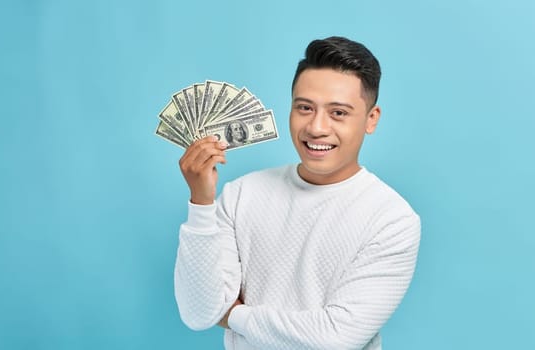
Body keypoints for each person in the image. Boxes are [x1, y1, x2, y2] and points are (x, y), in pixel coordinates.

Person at [174, 36, 420, 349]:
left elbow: (333, 340)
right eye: (304, 108)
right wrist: (201, 202)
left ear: (371, 119)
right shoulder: (241, 194)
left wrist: (233, 314)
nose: (316, 127)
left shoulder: (392, 219)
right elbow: (198, 314)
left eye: (338, 113)